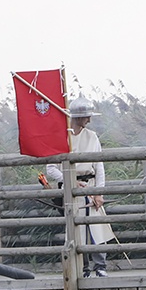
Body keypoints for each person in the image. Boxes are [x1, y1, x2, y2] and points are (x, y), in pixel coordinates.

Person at [46, 97, 115, 277]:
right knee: (77, 230)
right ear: (77, 117)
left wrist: (99, 192)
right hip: (71, 189)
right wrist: (69, 180)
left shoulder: (92, 137)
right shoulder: (60, 137)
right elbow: (51, 168)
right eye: (86, 117)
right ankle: (82, 268)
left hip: (90, 186)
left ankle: (100, 266)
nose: (89, 120)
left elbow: (99, 166)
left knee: (96, 227)